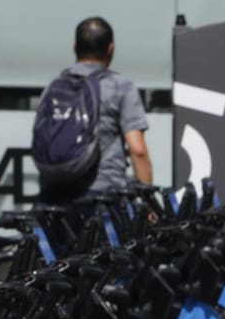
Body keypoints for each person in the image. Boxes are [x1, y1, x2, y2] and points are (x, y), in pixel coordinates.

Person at [37, 16, 151, 204]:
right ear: (110, 49)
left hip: (53, 196)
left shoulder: (53, 86)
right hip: (102, 196)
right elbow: (137, 150)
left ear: (75, 47)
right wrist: (147, 202)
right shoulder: (119, 86)